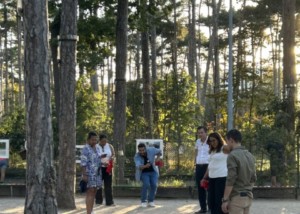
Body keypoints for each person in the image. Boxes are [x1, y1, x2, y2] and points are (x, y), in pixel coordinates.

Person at [221, 129, 257, 214]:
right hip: (248, 196)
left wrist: (225, 199)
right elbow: (254, 177)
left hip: (236, 197)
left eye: (227, 141)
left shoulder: (232, 155)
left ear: (231, 140)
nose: (227, 144)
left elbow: (231, 178)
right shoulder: (250, 155)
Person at [201, 132, 229, 214]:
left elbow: (236, 152)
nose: (212, 142)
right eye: (210, 141)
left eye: (214, 140)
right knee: (211, 201)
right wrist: (204, 178)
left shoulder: (224, 148)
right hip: (212, 178)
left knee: (219, 201)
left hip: (222, 178)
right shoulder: (212, 151)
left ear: (219, 139)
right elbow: (210, 166)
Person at [134, 143, 162, 208]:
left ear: (145, 148)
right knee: (146, 184)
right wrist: (145, 166)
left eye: (143, 150)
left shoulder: (151, 150)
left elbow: (159, 151)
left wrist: (158, 158)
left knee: (154, 185)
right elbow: (139, 167)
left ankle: (151, 201)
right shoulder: (137, 156)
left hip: (153, 171)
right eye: (140, 150)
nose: (141, 152)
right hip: (144, 173)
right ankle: (143, 201)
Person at [81, 131, 102, 214]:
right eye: (92, 140)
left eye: (95, 140)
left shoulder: (97, 148)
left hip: (97, 173)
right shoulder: (85, 148)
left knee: (94, 191)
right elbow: (83, 163)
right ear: (88, 140)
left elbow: (98, 158)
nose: (94, 141)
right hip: (89, 173)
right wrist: (84, 174)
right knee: (90, 191)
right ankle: (88, 212)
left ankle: (91, 210)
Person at [95, 134, 115, 206]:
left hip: (108, 167)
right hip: (99, 168)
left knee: (108, 184)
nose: (104, 143)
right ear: (99, 140)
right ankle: (98, 201)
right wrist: (101, 159)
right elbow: (94, 156)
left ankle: (109, 202)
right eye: (103, 141)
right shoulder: (96, 146)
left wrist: (112, 158)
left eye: (105, 141)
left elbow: (113, 154)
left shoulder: (110, 146)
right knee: (99, 184)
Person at [194, 126, 210, 213]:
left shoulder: (210, 141)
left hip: (207, 166)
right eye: (199, 133)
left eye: (202, 132)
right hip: (198, 166)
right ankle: (203, 208)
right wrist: (195, 163)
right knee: (200, 188)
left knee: (209, 188)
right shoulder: (197, 141)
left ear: (206, 132)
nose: (200, 134)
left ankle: (210, 208)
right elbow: (196, 152)